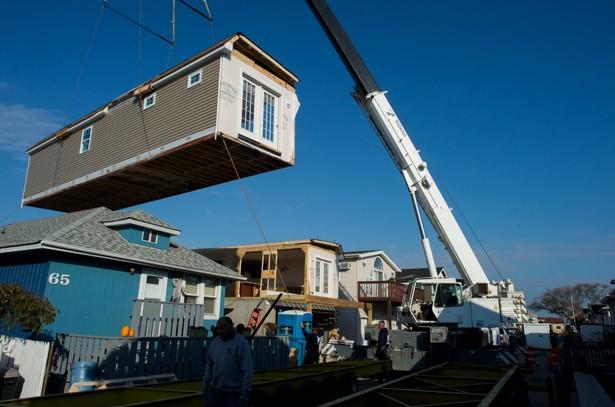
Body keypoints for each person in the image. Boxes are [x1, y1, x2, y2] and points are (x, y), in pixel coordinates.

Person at [202, 316, 253, 407]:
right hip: (214, 391)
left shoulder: (241, 343)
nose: (219, 331)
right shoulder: (215, 343)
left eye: (222, 328)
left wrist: (245, 394)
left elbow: (247, 370)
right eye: (218, 328)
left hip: (233, 393)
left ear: (231, 328)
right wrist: (205, 385)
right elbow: (209, 366)